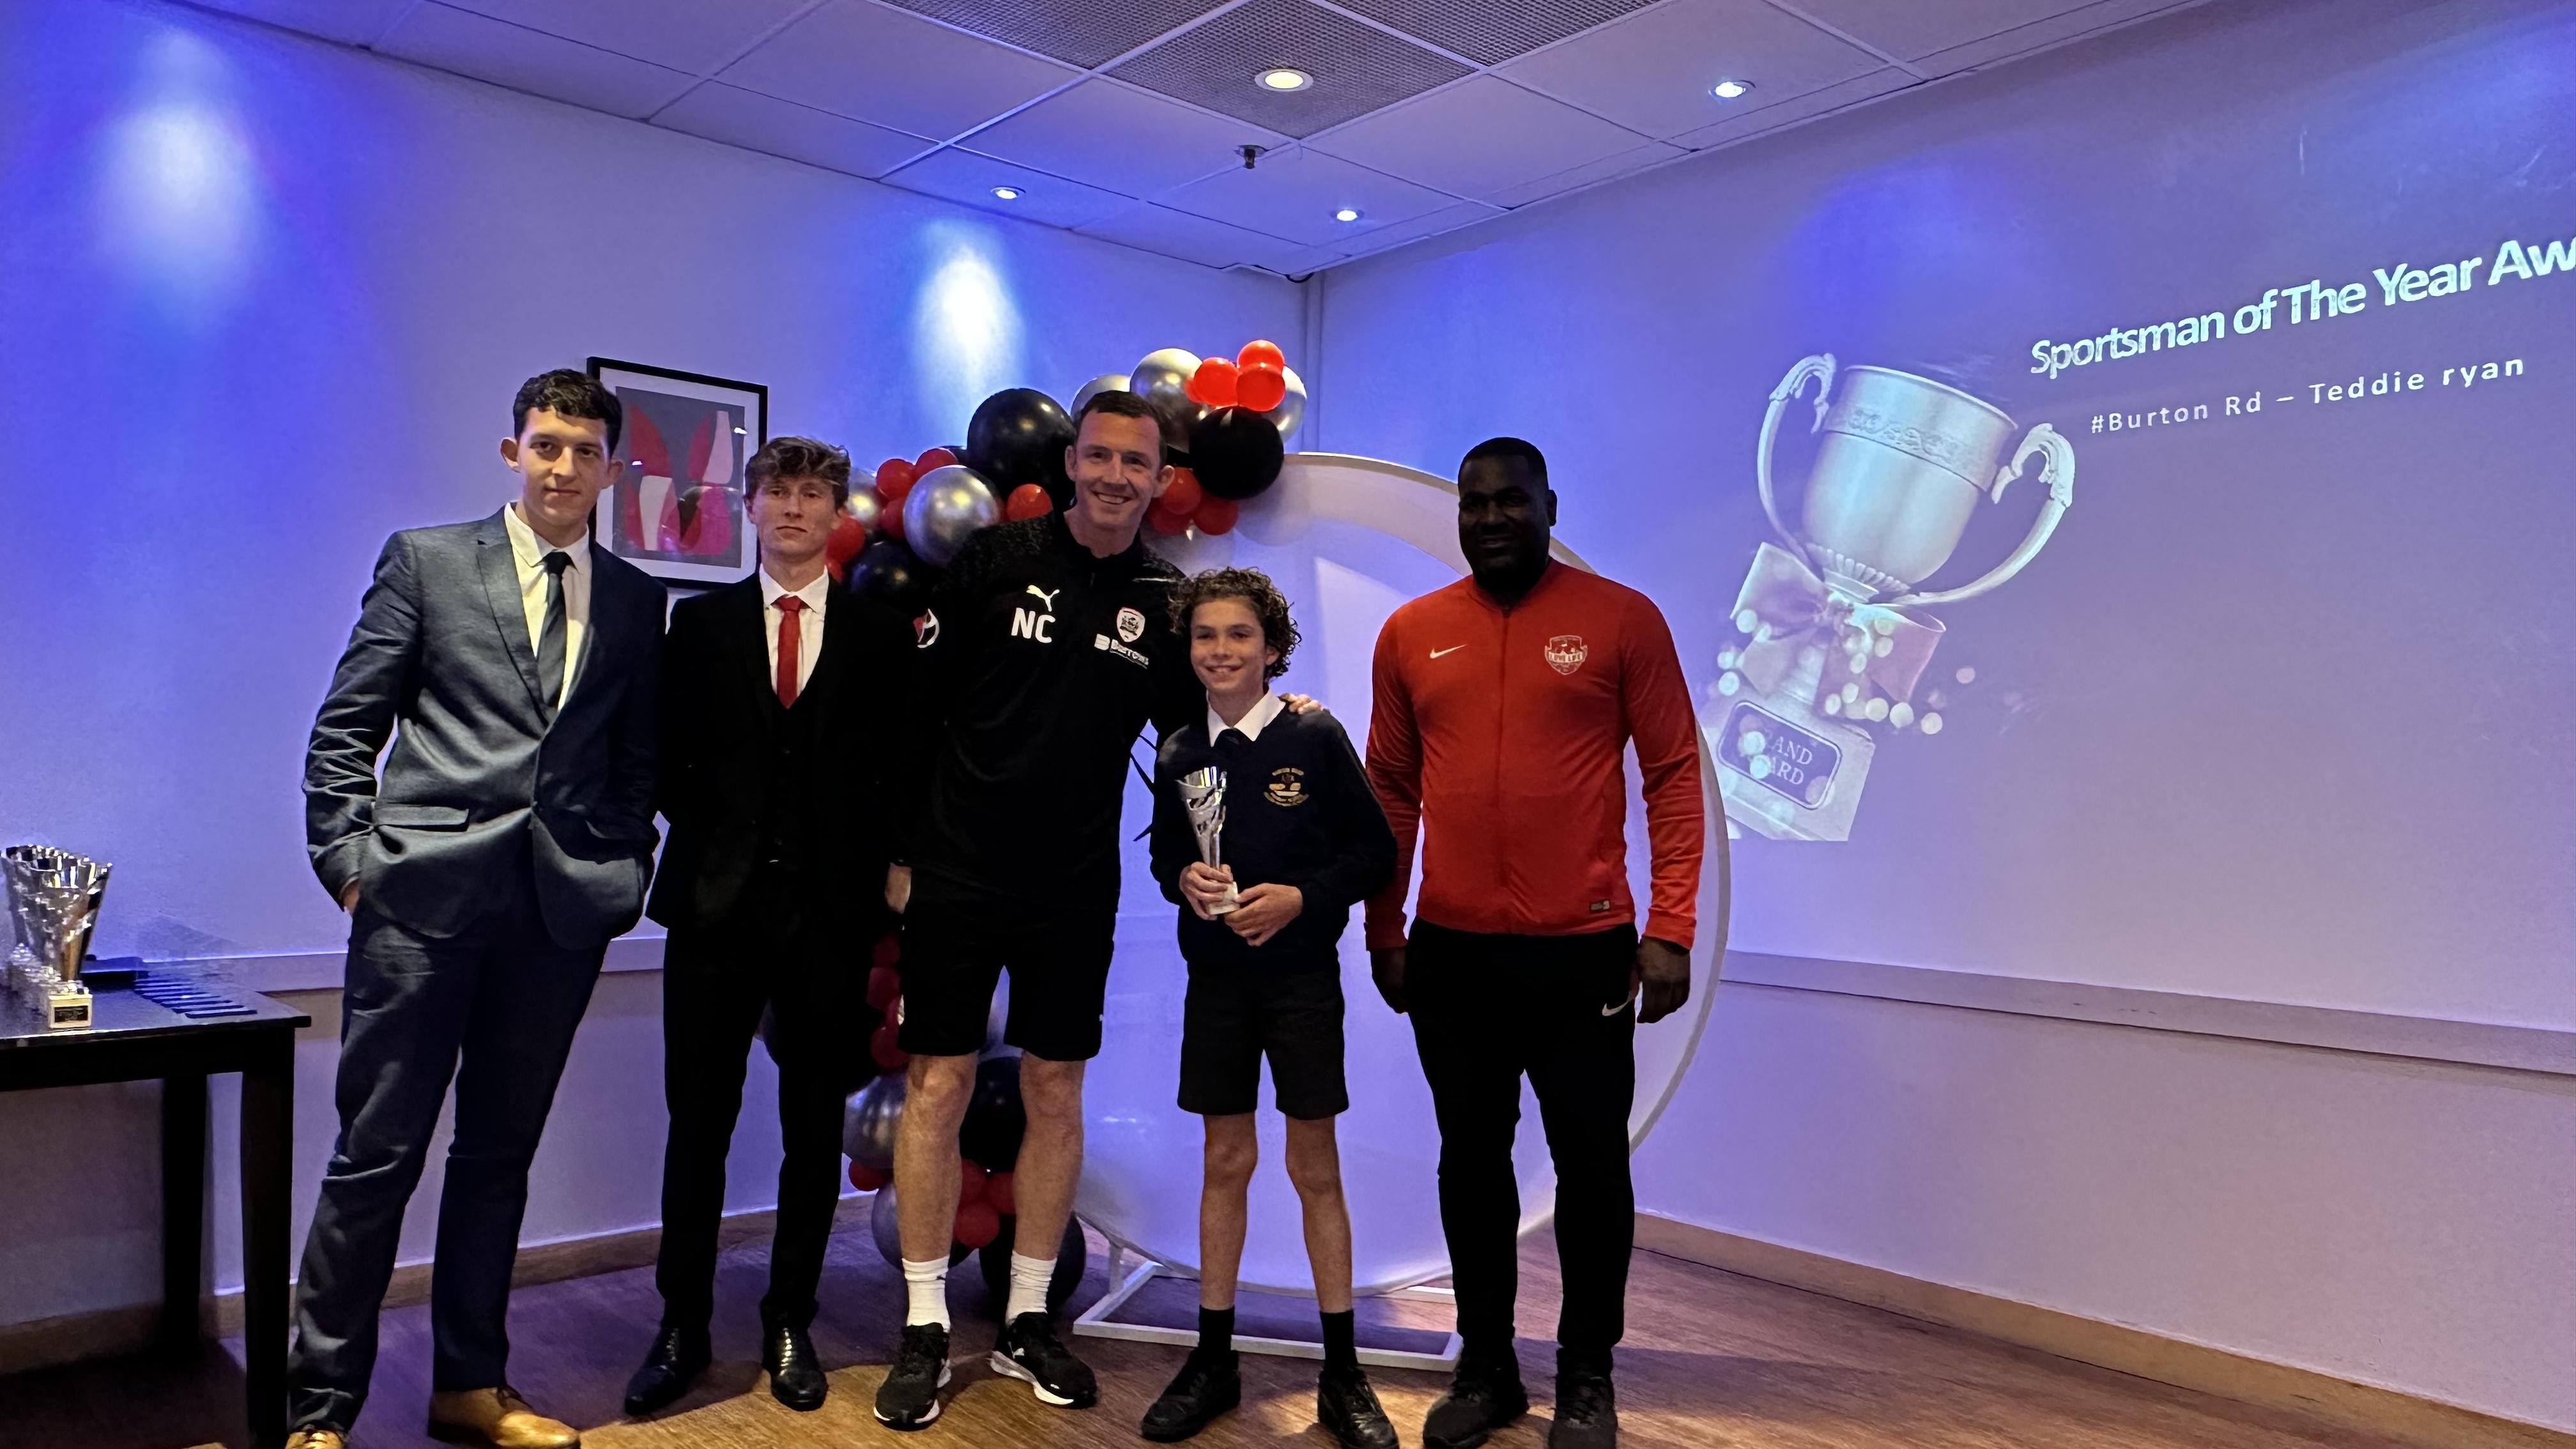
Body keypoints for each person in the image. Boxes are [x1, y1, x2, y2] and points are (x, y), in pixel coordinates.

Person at [288, 370, 665, 1449]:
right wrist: (353, 867)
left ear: (611, 468)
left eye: (585, 451)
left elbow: (636, 760)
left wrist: (620, 868)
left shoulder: (637, 599)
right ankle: (319, 1411)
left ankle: (470, 1386)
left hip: (556, 919)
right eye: (546, 445)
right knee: (376, 1158)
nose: (563, 468)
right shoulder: (427, 561)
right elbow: (345, 729)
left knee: (499, 1159)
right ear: (513, 452)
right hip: (418, 907)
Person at [1364, 437, 1718, 1449]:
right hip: (1453, 954)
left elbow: (1673, 775)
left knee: (1591, 1170)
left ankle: (1586, 1380)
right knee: (1472, 1167)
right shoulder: (1412, 632)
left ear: (1549, 506)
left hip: (1584, 953)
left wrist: (1673, 927)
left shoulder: (1623, 619)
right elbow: (1390, 789)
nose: (1490, 519)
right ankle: (1487, 1369)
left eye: (1510, 501)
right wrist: (1385, 925)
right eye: (1474, 504)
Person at [870, 388, 1202, 1430]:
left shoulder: (1166, 599)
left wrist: (1197, 856)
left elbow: (1188, 750)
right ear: (1071, 465)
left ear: (1159, 480)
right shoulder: (995, 560)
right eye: (1099, 457)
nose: (1114, 478)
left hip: (1073, 887)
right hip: (958, 872)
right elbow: (913, 711)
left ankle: (1025, 1320)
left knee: (1057, 1089)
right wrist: (899, 854)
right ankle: (925, 1323)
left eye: (1135, 464)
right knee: (938, 1084)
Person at [622, 438, 915, 1418]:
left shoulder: (882, 635)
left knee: (811, 1131)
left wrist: (886, 864)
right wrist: (727, 838)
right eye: (777, 491)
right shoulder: (699, 625)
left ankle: (791, 1318)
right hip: (714, 909)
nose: (794, 507)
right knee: (698, 1127)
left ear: (838, 513)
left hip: (832, 917)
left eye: (814, 493)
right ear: (750, 507)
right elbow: (663, 759)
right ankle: (682, 1325)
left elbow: (900, 770)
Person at [1140, 569, 1399, 1448]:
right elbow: (1165, 856)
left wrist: (1301, 899)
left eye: (1239, 635)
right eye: (1205, 635)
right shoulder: (1180, 749)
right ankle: (1213, 1360)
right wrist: (1184, 878)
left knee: (1314, 1166)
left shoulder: (1314, 734)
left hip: (1300, 984)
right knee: (1225, 1161)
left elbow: (1374, 852)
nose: (1221, 650)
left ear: (1273, 648)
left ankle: (1343, 1372)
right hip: (1215, 982)